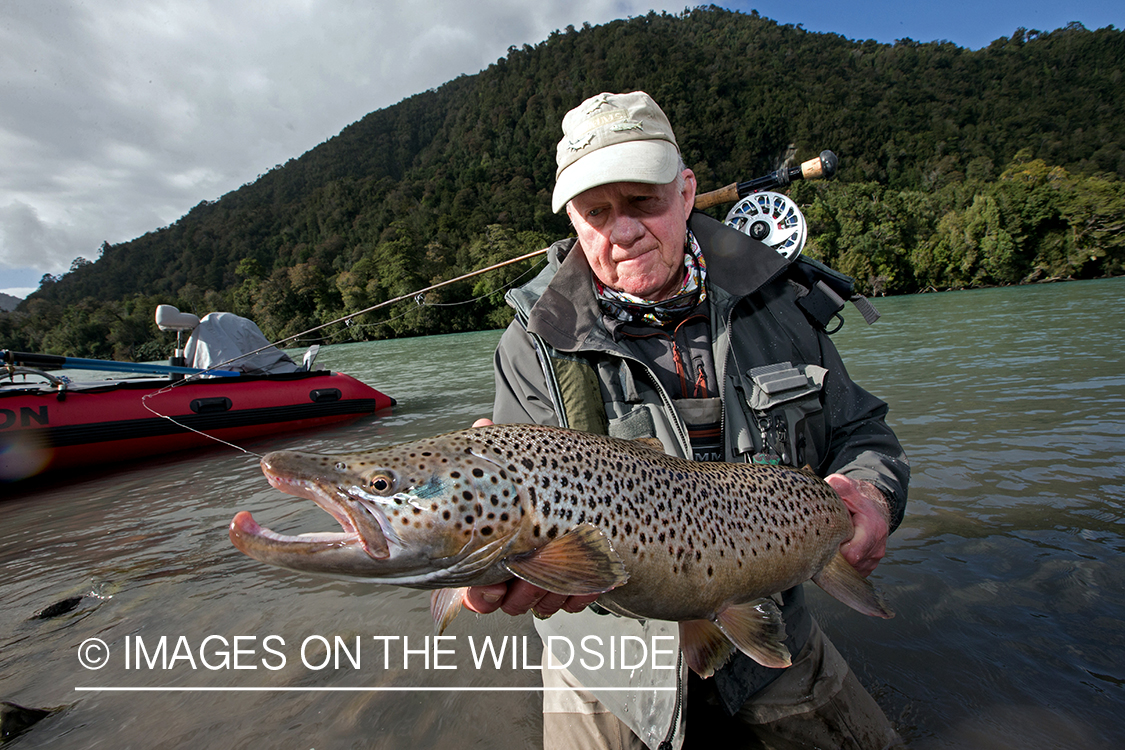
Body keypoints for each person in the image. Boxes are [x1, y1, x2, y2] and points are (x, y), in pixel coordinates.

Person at [465, 91, 910, 750]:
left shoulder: (780, 305)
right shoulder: (533, 344)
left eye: (642, 201)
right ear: (572, 220)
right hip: (607, 660)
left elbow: (861, 433)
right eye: (596, 212)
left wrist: (871, 494)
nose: (621, 230)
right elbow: (513, 526)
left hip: (773, 623)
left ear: (685, 191)